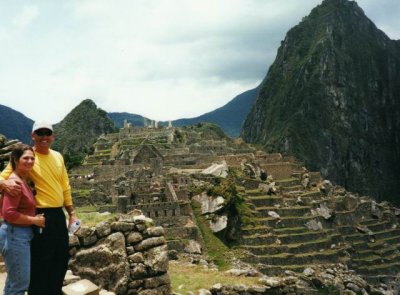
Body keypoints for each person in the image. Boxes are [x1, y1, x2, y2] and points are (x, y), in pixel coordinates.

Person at [0, 121, 79, 295]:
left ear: (53, 136)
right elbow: (4, 176)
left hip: (58, 214)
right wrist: (4, 183)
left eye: (47, 133)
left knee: (60, 258)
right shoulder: (28, 157)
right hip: (40, 215)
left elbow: (65, 185)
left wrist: (71, 213)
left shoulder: (58, 156)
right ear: (33, 136)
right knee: (42, 260)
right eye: (40, 133)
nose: (44, 137)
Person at [0, 144, 46, 295]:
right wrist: (34, 220)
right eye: (25, 158)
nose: (30, 161)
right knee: (20, 284)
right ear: (15, 159)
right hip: (15, 235)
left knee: (13, 282)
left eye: (32, 158)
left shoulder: (22, 180)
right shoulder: (15, 183)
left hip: (19, 235)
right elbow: (9, 213)